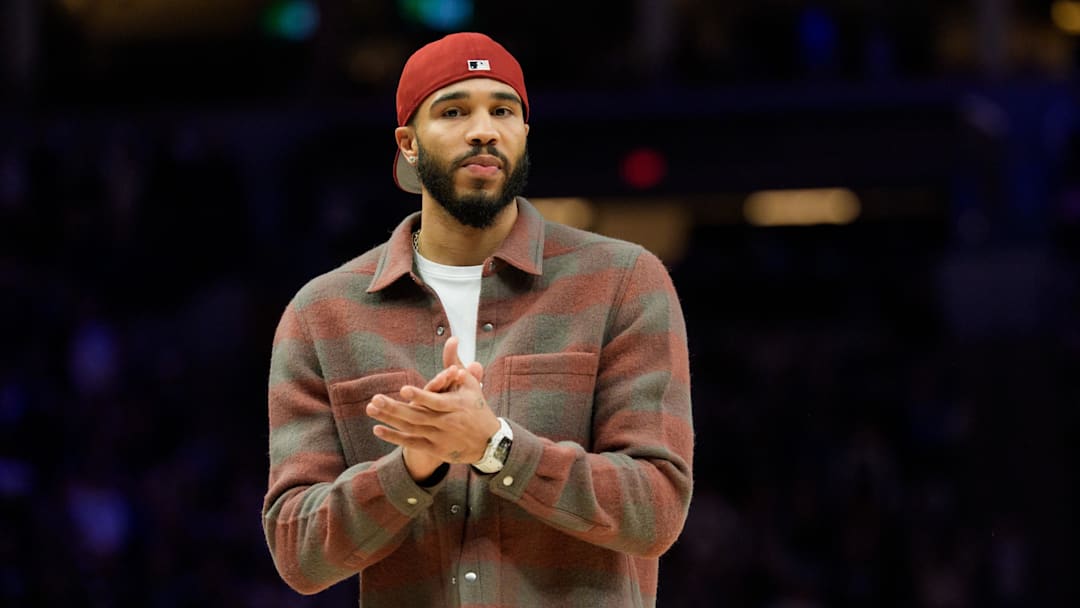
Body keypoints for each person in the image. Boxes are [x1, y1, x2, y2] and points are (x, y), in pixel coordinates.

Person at [262, 31, 694, 607]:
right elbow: (297, 552)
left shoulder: (622, 281)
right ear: (408, 144)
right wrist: (411, 469)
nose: (483, 128)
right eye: (454, 110)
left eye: (503, 109)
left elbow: (656, 510)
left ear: (523, 134)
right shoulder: (322, 314)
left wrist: (496, 447)